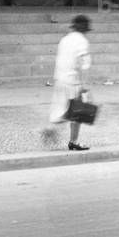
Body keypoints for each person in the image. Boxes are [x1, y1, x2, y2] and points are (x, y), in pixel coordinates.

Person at [45, 14, 93, 151]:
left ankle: (50, 128)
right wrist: (85, 87)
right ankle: (73, 141)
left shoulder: (64, 39)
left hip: (60, 79)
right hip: (73, 81)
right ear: (84, 29)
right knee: (77, 112)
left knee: (61, 108)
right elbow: (84, 66)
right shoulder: (82, 42)